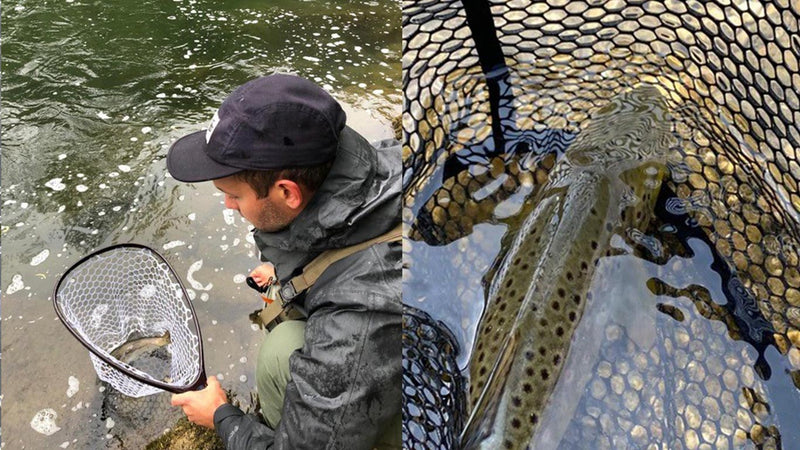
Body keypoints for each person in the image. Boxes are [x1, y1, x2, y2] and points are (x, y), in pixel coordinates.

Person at [165, 73, 402, 449]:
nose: (228, 206)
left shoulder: (362, 313)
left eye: (234, 196)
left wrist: (223, 418)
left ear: (287, 192)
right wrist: (298, 270)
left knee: (280, 352)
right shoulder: (377, 163)